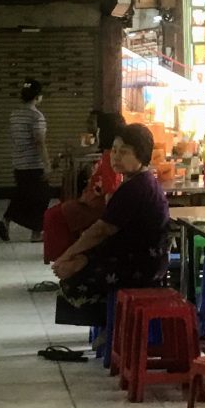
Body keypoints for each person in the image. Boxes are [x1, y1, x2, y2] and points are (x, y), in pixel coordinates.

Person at [49, 122, 170, 330]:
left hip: (140, 267)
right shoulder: (139, 182)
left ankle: (113, 327)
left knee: (74, 278)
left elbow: (101, 230)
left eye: (123, 152)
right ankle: (112, 327)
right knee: (78, 262)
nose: (115, 157)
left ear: (141, 155)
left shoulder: (136, 188)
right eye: (114, 151)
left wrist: (68, 256)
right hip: (140, 259)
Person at [42, 110, 126, 264]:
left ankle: (64, 260)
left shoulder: (110, 157)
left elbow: (110, 191)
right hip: (92, 202)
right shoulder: (109, 154)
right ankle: (65, 259)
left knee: (54, 217)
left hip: (96, 207)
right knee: (55, 214)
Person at [0, 79, 50, 243]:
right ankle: (36, 232)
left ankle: (6, 220)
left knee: (23, 195)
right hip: (33, 164)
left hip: (19, 163)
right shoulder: (36, 116)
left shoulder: (15, 115)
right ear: (38, 97)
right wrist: (47, 164)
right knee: (42, 197)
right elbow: (39, 142)